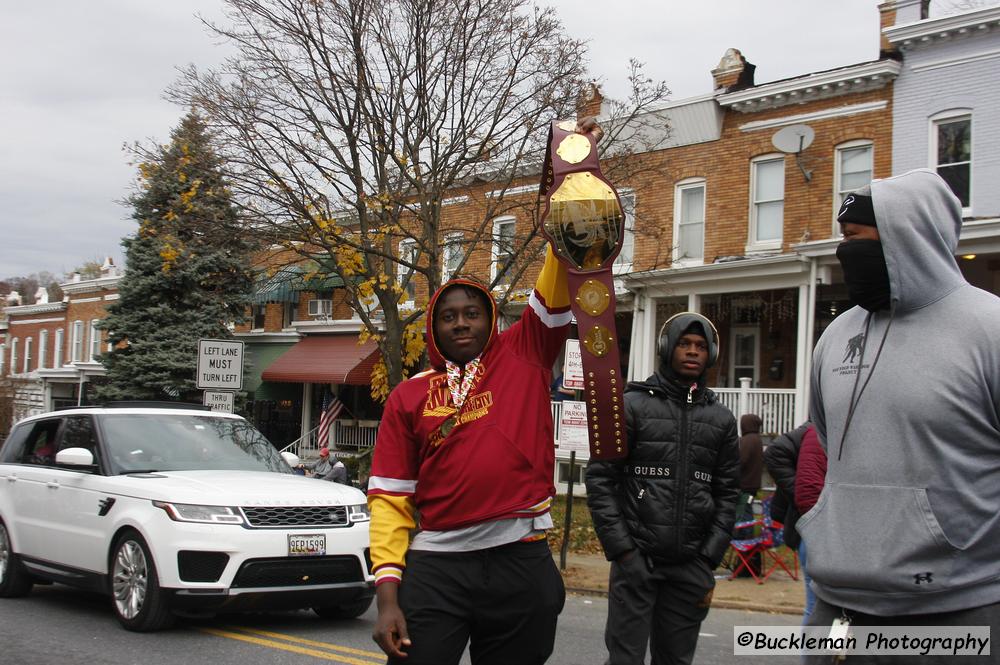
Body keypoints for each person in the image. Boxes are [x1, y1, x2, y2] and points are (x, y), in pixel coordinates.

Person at [365, 195, 585, 661]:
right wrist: (387, 599)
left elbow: (555, 285)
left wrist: (572, 189)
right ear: (433, 328)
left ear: (490, 320)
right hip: (436, 569)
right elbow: (389, 498)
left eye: (472, 314)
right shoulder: (409, 396)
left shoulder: (524, 352)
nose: (461, 323)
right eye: (448, 317)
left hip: (520, 561)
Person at [803, 169, 1000, 658]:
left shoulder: (990, 330)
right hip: (836, 609)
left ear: (902, 235)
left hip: (959, 610)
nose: (843, 250)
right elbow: (830, 445)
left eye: (853, 237)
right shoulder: (835, 336)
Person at [585, 312, 740, 665]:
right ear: (666, 347)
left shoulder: (721, 420)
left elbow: (729, 493)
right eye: (684, 343)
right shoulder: (631, 406)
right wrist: (624, 552)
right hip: (637, 562)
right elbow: (600, 480)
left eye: (700, 346)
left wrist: (707, 558)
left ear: (711, 354)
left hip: (690, 567)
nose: (692, 352)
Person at [793, 425, 826, 622]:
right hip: (822, 535)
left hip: (818, 532)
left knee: (816, 609)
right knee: (818, 609)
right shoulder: (819, 432)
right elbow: (807, 491)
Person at [736, 413, 764, 524]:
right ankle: (748, 535)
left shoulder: (747, 440)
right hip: (753, 484)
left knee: (743, 511)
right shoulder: (757, 439)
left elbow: (740, 460)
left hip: (745, 484)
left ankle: (744, 537)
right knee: (747, 508)